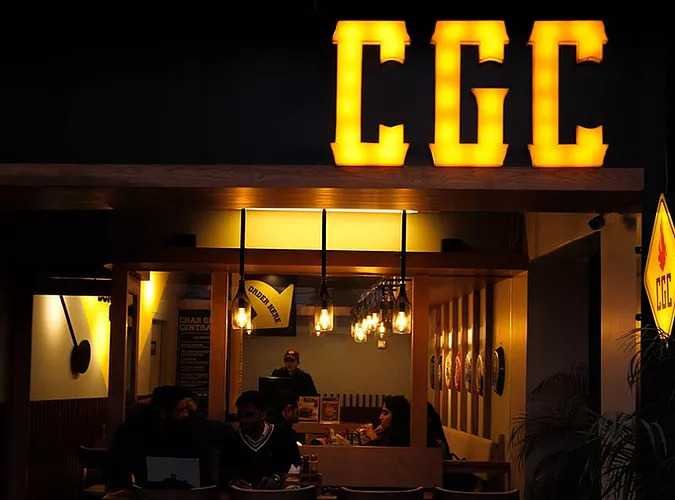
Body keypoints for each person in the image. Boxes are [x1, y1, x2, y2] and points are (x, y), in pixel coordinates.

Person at [106, 385, 213, 491]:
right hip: (146, 489)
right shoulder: (136, 428)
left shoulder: (191, 427)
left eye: (188, 410)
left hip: (180, 489)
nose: (186, 414)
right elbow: (120, 465)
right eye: (180, 410)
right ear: (163, 411)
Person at [220, 390, 301, 489]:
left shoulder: (283, 435)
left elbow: (295, 468)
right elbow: (224, 474)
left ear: (263, 414)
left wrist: (277, 479)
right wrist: (234, 482)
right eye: (240, 415)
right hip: (243, 495)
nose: (243, 420)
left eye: (249, 415)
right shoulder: (232, 439)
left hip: (276, 495)